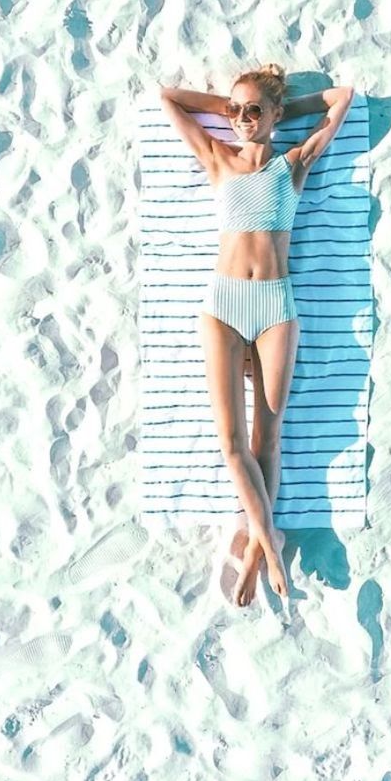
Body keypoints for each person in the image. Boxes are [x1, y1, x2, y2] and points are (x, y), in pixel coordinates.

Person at [160, 65, 355, 606]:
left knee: (266, 438)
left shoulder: (293, 164)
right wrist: (232, 105)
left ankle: (252, 550)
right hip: (223, 304)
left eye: (254, 112)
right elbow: (169, 97)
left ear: (272, 115)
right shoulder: (217, 158)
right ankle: (268, 539)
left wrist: (279, 110)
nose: (242, 121)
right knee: (231, 443)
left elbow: (342, 97)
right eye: (235, 112)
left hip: (274, 306)